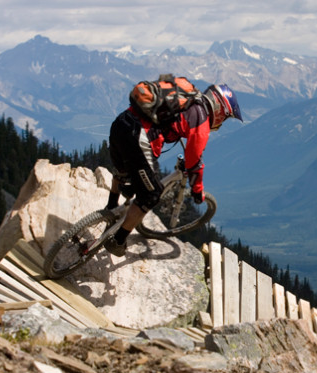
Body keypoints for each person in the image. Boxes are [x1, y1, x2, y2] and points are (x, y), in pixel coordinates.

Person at [103, 83, 243, 257]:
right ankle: (118, 240)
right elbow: (195, 163)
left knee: (124, 169)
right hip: (138, 137)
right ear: (220, 109)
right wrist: (197, 191)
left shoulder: (188, 97)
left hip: (122, 122)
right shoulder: (201, 122)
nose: (221, 122)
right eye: (224, 117)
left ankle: (110, 207)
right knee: (151, 195)